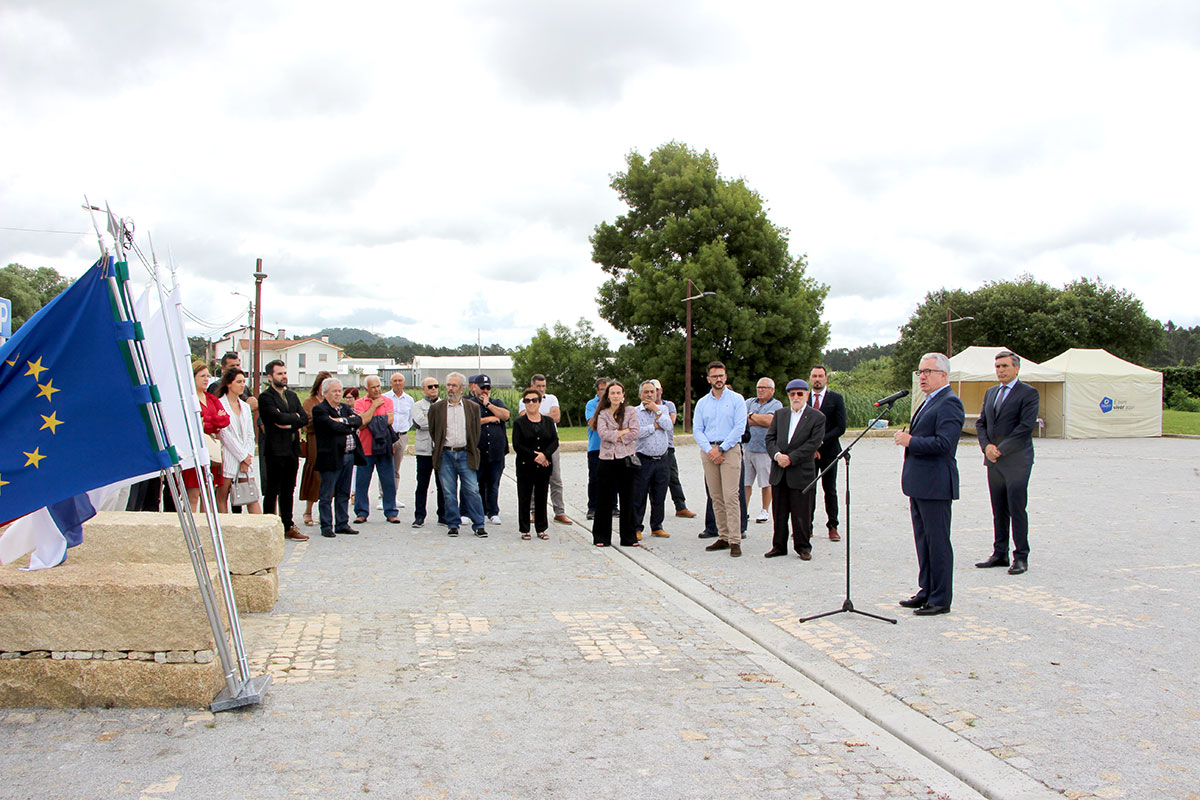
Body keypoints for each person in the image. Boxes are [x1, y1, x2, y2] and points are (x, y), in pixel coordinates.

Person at [894, 353, 964, 616]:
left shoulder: (949, 403)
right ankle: (926, 590)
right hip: (919, 483)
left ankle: (940, 598)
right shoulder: (927, 401)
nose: (922, 376)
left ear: (943, 375)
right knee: (923, 541)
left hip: (936, 484)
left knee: (938, 542)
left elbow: (945, 444)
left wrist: (909, 441)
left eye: (928, 371)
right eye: (920, 371)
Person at [974, 350, 1039, 575]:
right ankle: (999, 552)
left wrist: (1001, 449)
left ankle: (1021, 556)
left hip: (1017, 461)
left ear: (1016, 368)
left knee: (1016, 508)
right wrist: (987, 447)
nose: (1000, 370)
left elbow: (1025, 427)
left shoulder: (1028, 393)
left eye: (1004, 366)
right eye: (998, 366)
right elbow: (981, 423)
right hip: (993, 461)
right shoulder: (991, 393)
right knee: (998, 508)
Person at [763, 379, 825, 560]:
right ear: (788, 396)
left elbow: (813, 443)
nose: (796, 397)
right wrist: (777, 456)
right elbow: (770, 439)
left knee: (801, 513)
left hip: (801, 472)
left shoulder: (817, 417)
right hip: (779, 471)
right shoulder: (780, 414)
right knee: (779, 513)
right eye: (792, 394)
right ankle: (779, 546)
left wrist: (791, 458)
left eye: (800, 394)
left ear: (806, 395)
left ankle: (803, 546)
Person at [693, 361, 747, 557]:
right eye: (714, 376)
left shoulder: (736, 399)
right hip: (709, 451)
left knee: (731, 496)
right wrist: (710, 450)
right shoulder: (702, 403)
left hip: (729, 449)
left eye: (721, 376)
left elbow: (739, 427)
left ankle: (735, 539)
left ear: (726, 377)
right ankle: (723, 535)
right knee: (715, 496)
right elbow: (697, 429)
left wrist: (722, 449)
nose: (718, 379)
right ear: (708, 379)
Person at [428, 372, 487, 538]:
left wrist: (469, 447)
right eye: (448, 385)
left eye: (454, 385)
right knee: (448, 492)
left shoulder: (472, 408)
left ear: (462, 389)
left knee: (472, 490)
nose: (450, 389)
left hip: (465, 453)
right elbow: (434, 431)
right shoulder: (437, 408)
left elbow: (476, 431)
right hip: (446, 454)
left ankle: (479, 524)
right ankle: (453, 524)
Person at [257, 359, 309, 541]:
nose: (284, 376)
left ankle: (287, 525)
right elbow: (274, 417)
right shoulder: (265, 398)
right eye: (279, 373)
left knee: (288, 489)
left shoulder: (293, 396)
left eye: (285, 373)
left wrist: (290, 421)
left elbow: (303, 418)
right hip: (275, 450)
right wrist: (291, 419)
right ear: (270, 377)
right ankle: (268, 526)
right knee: (272, 489)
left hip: (292, 450)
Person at [311, 378, 363, 538]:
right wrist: (347, 425)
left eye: (340, 391)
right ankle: (326, 525)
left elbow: (359, 420)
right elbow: (332, 427)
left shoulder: (345, 408)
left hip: (349, 456)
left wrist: (343, 420)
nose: (338, 394)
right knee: (326, 494)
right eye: (334, 391)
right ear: (324, 392)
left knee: (344, 493)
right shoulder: (320, 410)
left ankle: (342, 523)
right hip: (331, 457)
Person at [591, 380, 640, 547]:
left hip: (626, 458)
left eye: (618, 392)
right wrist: (621, 432)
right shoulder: (603, 413)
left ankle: (629, 538)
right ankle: (601, 537)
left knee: (628, 498)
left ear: (623, 395)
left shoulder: (630, 411)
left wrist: (617, 435)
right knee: (604, 499)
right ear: (608, 395)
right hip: (606, 459)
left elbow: (634, 432)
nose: (615, 395)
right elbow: (603, 433)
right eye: (612, 393)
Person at [512, 387, 558, 540]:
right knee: (524, 497)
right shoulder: (519, 423)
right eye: (527, 401)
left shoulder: (548, 421)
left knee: (541, 497)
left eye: (534, 400)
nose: (531, 403)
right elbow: (517, 445)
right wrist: (535, 456)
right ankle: (525, 528)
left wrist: (545, 455)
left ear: (539, 403)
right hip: (526, 465)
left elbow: (554, 441)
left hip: (544, 466)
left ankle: (541, 528)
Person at [214, 368, 262, 515]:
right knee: (222, 495)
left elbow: (250, 434)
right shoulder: (219, 404)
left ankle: (260, 529)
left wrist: (247, 456)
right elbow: (224, 434)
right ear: (229, 384)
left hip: (245, 459)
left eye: (243, 382)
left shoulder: (246, 407)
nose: (242, 385)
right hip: (228, 455)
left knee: (251, 495)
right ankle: (223, 530)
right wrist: (242, 456)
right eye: (238, 382)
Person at [808, 365, 847, 542]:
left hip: (829, 451)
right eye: (814, 376)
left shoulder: (836, 398)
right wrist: (810, 445)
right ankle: (806, 526)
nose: (817, 379)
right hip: (808, 453)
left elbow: (841, 427)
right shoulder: (803, 398)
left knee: (829, 489)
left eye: (820, 376)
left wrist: (821, 440)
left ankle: (833, 526)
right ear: (810, 378)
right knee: (808, 490)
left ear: (826, 379)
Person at [185, 361, 230, 512]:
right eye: (202, 376)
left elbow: (225, 420)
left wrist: (208, 422)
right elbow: (194, 424)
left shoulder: (211, 398)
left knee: (209, 494)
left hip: (211, 449)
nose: (206, 379)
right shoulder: (188, 399)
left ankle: (206, 529)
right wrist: (213, 422)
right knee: (194, 494)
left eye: (208, 376)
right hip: (195, 451)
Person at [352, 376, 398, 524]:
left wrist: (370, 418)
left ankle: (391, 511)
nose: (377, 389)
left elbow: (390, 420)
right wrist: (374, 407)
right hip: (365, 448)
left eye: (378, 386)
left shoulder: (388, 401)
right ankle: (361, 512)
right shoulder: (359, 403)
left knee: (388, 481)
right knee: (362, 482)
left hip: (384, 447)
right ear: (366, 389)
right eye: (373, 387)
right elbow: (362, 422)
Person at [527, 374, 571, 525]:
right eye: (538, 386)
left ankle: (560, 512)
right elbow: (524, 417)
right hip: (533, 444)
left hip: (551, 444)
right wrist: (545, 416)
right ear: (532, 386)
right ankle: (534, 511)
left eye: (543, 386)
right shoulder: (525, 400)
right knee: (534, 479)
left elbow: (556, 417)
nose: (541, 389)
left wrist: (536, 415)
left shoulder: (552, 399)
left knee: (556, 478)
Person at [632, 380, 673, 540]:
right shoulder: (634, 412)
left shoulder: (663, 409)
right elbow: (635, 433)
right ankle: (636, 527)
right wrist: (653, 427)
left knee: (659, 495)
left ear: (657, 393)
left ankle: (657, 526)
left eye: (652, 392)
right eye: (646, 392)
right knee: (639, 495)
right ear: (640, 394)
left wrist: (656, 411)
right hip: (643, 459)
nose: (649, 395)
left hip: (662, 459)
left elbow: (668, 426)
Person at [468, 373, 510, 525]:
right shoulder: (470, 404)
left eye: (488, 388)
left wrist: (488, 406)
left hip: (496, 452)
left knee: (493, 483)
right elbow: (469, 422)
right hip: (477, 452)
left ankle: (493, 511)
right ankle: (469, 511)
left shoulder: (496, 402)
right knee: (474, 484)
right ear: (475, 388)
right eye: (482, 387)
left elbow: (505, 415)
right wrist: (489, 419)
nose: (485, 390)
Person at [651, 379, 694, 518]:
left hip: (667, 447)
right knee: (651, 481)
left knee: (673, 477)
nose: (654, 393)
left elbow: (671, 422)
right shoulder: (642, 407)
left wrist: (657, 418)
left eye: (656, 390)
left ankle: (681, 506)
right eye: (651, 390)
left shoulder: (668, 405)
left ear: (661, 391)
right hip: (649, 449)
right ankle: (654, 511)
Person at [745, 377, 783, 524]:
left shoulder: (776, 404)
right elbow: (742, 420)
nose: (760, 390)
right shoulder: (749, 402)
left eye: (764, 388)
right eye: (758, 387)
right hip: (747, 448)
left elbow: (770, 422)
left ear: (772, 390)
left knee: (766, 482)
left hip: (765, 450)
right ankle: (744, 509)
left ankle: (765, 510)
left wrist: (752, 416)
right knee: (745, 482)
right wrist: (758, 419)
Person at [410, 376, 446, 528]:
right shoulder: (417, 405)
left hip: (441, 450)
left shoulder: (445, 404)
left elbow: (447, 423)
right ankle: (419, 516)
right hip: (424, 451)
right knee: (422, 485)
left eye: (435, 386)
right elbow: (420, 422)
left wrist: (430, 419)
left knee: (443, 485)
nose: (433, 389)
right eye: (430, 386)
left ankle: (443, 515)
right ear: (423, 389)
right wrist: (437, 420)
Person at [298, 370, 332, 528]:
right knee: (315, 475)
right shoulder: (309, 402)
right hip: (315, 442)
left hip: (330, 442)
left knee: (330, 477)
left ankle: (325, 512)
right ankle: (308, 510)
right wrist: (327, 421)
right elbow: (308, 423)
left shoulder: (332, 402)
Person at [382, 373, 414, 512]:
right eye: (395, 381)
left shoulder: (409, 399)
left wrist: (404, 430)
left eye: (400, 380)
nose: (397, 383)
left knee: (396, 467)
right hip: (387, 435)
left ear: (404, 382)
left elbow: (411, 418)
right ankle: (382, 496)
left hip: (402, 436)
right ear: (391, 383)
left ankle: (393, 496)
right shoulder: (385, 398)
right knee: (385, 466)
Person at [584, 377, 614, 520]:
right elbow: (593, 424)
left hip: (613, 446)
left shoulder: (615, 403)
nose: (605, 392)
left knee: (613, 478)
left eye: (607, 389)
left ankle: (613, 506)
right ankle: (593, 507)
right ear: (597, 390)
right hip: (596, 447)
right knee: (595, 478)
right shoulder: (591, 404)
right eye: (602, 389)